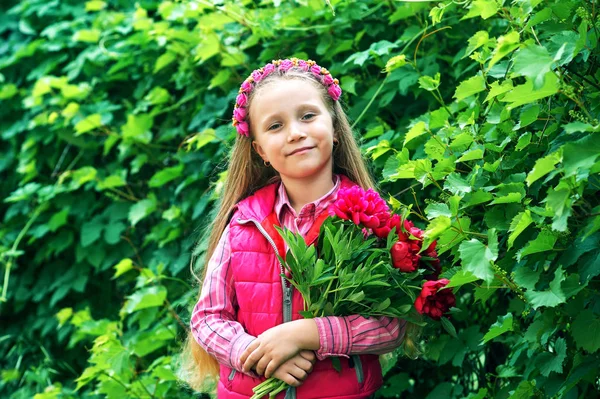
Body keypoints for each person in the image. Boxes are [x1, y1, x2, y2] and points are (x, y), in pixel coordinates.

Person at [184, 58, 410, 399]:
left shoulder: (370, 222)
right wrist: (259, 355)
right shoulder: (245, 223)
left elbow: (390, 326)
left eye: (307, 116)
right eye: (275, 126)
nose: (295, 132)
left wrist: (308, 333)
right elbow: (206, 319)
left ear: (334, 127)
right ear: (260, 150)